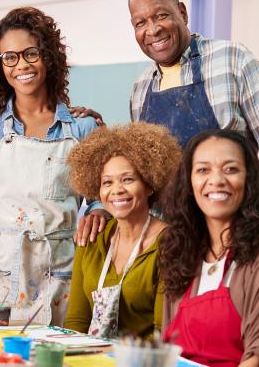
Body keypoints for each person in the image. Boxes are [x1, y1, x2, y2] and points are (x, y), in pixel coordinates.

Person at [0, 7, 102, 326]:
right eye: (10, 57)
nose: (22, 65)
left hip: (60, 274)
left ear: (48, 56)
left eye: (31, 53)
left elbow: (101, 198)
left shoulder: (83, 128)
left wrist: (100, 212)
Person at [159, 130, 259, 366]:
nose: (216, 180)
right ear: (189, 183)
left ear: (249, 180)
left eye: (230, 169)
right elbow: (169, 353)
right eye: (203, 170)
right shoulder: (183, 253)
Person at [127, 0, 259, 184]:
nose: (153, 30)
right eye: (140, 23)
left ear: (182, 13)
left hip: (231, 201)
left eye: (161, 16)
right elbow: (142, 169)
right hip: (167, 205)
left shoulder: (233, 59)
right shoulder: (141, 88)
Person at [64, 122, 180, 338]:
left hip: (143, 355)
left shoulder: (170, 244)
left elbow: (163, 331)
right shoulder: (91, 236)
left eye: (128, 179)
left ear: (149, 184)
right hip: (89, 355)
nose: (117, 190)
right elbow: (76, 321)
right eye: (107, 182)